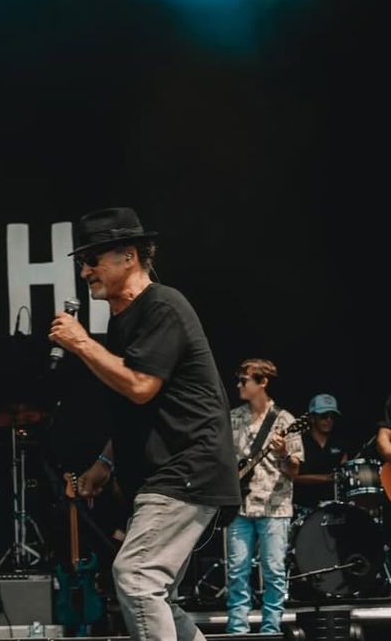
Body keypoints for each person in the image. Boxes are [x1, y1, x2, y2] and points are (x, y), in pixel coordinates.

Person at [48, 206, 241, 641]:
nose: (85, 272)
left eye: (93, 260)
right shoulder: (124, 322)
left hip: (186, 468)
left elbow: (140, 387)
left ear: (129, 256)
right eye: (83, 262)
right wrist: (104, 462)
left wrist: (80, 342)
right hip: (169, 472)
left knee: (136, 577)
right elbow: (137, 406)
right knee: (156, 594)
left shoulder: (163, 306)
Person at [226, 358, 302, 635]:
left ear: (262, 382)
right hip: (240, 506)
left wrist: (283, 453)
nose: (239, 385)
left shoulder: (286, 420)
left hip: (275, 506)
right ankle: (237, 630)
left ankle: (271, 629)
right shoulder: (233, 418)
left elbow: (294, 469)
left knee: (273, 572)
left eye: (244, 380)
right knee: (236, 571)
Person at [293, 393, 346, 515]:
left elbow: (345, 471)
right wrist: (327, 478)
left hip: (333, 509)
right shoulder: (298, 442)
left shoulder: (341, 443)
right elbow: (293, 477)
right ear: (312, 418)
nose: (329, 420)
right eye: (324, 416)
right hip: (302, 509)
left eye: (332, 417)